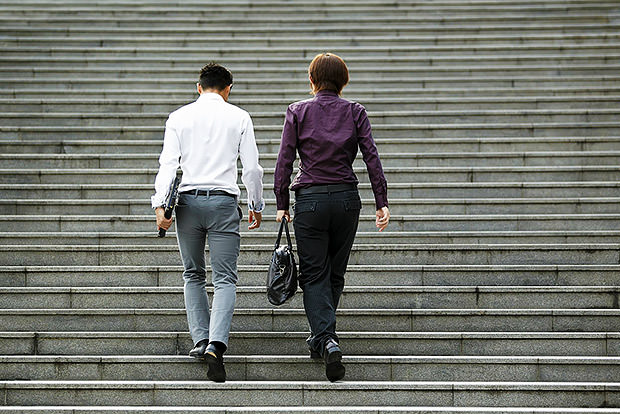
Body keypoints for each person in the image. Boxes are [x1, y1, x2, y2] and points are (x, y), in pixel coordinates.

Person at [273, 53, 390, 382]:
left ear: (312, 81)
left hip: (310, 200)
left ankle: (326, 339)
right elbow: (371, 156)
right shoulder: (355, 111)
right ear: (344, 81)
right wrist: (381, 200)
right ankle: (322, 337)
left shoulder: (297, 111)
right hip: (346, 200)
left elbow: (285, 159)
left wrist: (281, 200)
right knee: (335, 273)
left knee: (314, 275)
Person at [152, 63, 264, 383]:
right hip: (223, 203)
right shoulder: (239, 117)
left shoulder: (178, 117)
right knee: (225, 278)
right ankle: (216, 344)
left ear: (198, 87)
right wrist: (256, 204)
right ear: (228, 89)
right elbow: (252, 168)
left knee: (193, 274)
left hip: (187, 203)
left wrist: (159, 205)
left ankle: (200, 339)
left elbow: (168, 164)